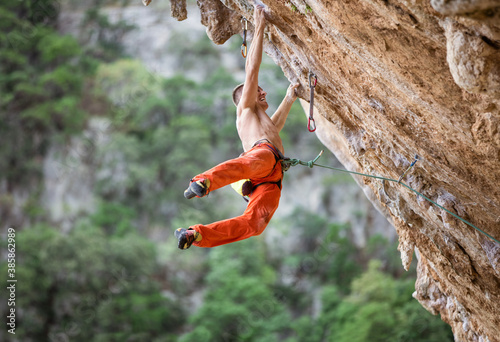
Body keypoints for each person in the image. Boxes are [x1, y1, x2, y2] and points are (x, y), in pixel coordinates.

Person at [175, 5, 300, 249]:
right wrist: (259, 25)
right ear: (246, 98)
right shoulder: (245, 111)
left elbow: (276, 127)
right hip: (261, 162)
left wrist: (290, 97)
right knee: (248, 163)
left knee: (254, 224)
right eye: (256, 90)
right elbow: (252, 70)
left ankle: (194, 235)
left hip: (270, 179)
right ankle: (203, 181)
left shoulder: (263, 122)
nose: (262, 91)